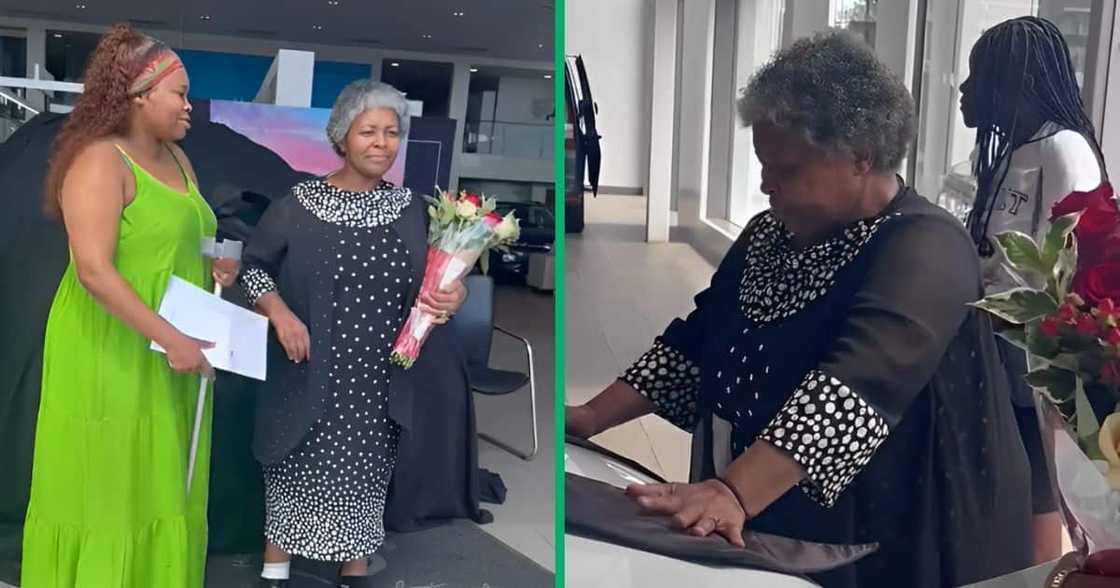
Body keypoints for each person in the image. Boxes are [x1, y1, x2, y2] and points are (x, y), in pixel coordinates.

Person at [566, 31, 1034, 587]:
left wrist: (734, 490)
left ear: (861, 156)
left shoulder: (926, 246)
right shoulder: (772, 232)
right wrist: (589, 418)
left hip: (884, 525)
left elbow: (858, 385)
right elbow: (697, 340)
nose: (766, 185)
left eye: (786, 170)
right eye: (764, 165)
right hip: (768, 498)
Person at [21, 24, 238, 587]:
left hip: (170, 348)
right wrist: (172, 339)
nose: (191, 106)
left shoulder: (179, 160)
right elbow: (93, 270)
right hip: (112, 348)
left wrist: (216, 264)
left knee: (164, 479)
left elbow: (182, 238)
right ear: (140, 95)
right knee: (112, 486)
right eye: (180, 93)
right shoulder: (99, 161)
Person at [239, 80, 469, 588]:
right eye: (368, 131)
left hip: (379, 378)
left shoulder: (414, 210)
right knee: (294, 469)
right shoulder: (299, 203)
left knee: (364, 481)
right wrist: (280, 313)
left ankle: (355, 573)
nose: (381, 143)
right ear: (342, 137)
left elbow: (442, 283)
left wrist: (454, 298)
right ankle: (274, 569)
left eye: (391, 132)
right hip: (307, 370)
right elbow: (253, 270)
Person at [959, 15, 1108, 563]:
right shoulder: (1005, 155)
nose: (964, 89)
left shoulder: (1062, 150)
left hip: (1031, 347)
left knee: (1039, 467)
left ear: (1015, 83)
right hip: (992, 336)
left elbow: (1077, 256)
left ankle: (1046, 569)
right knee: (1009, 463)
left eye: (979, 76)